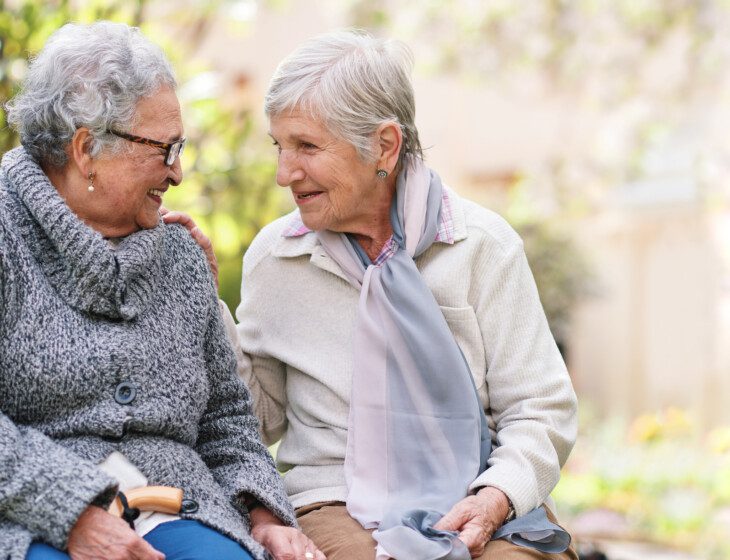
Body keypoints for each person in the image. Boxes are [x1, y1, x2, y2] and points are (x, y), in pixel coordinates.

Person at [168, 30, 579, 560]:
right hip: (333, 500)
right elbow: (257, 419)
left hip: (478, 493)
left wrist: (495, 497)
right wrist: (205, 304)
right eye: (279, 146)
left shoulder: (482, 247)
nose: (283, 173)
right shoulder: (277, 258)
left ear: (384, 145)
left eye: (307, 146)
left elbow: (539, 407)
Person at [0, 21, 323, 560]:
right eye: (164, 149)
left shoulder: (178, 254)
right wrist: (71, 508)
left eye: (181, 147)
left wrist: (266, 516)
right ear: (86, 150)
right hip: (31, 512)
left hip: (181, 505)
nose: (177, 172)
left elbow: (227, 418)